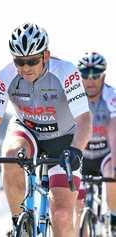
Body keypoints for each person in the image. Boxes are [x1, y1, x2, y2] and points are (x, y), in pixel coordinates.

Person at [0, 22, 92, 237]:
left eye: (32, 61)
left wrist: (76, 149)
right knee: (10, 155)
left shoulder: (66, 72)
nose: (25, 68)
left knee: (62, 216)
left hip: (64, 138)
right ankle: (19, 226)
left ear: (46, 55)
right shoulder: (5, 76)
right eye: (19, 62)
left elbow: (85, 120)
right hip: (27, 129)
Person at [76, 52, 116, 235]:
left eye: (95, 75)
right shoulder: (73, 97)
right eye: (85, 75)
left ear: (104, 76)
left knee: (112, 172)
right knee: (75, 210)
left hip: (105, 155)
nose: (90, 80)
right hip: (81, 156)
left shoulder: (111, 96)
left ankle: (114, 217)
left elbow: (115, 131)